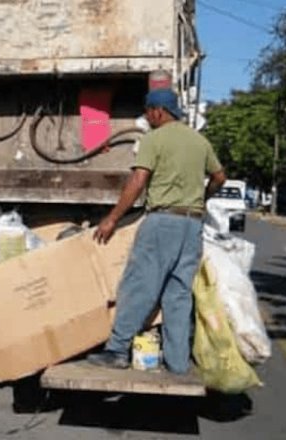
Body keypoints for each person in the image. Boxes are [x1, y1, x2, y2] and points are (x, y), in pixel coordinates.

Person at [87, 89, 226, 374]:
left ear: (159, 112)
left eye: (148, 111)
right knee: (178, 294)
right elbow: (219, 177)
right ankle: (177, 362)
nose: (147, 117)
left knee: (139, 286)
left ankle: (116, 351)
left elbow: (138, 180)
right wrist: (202, 198)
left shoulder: (154, 139)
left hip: (163, 222)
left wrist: (112, 219)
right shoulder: (200, 141)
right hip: (192, 224)